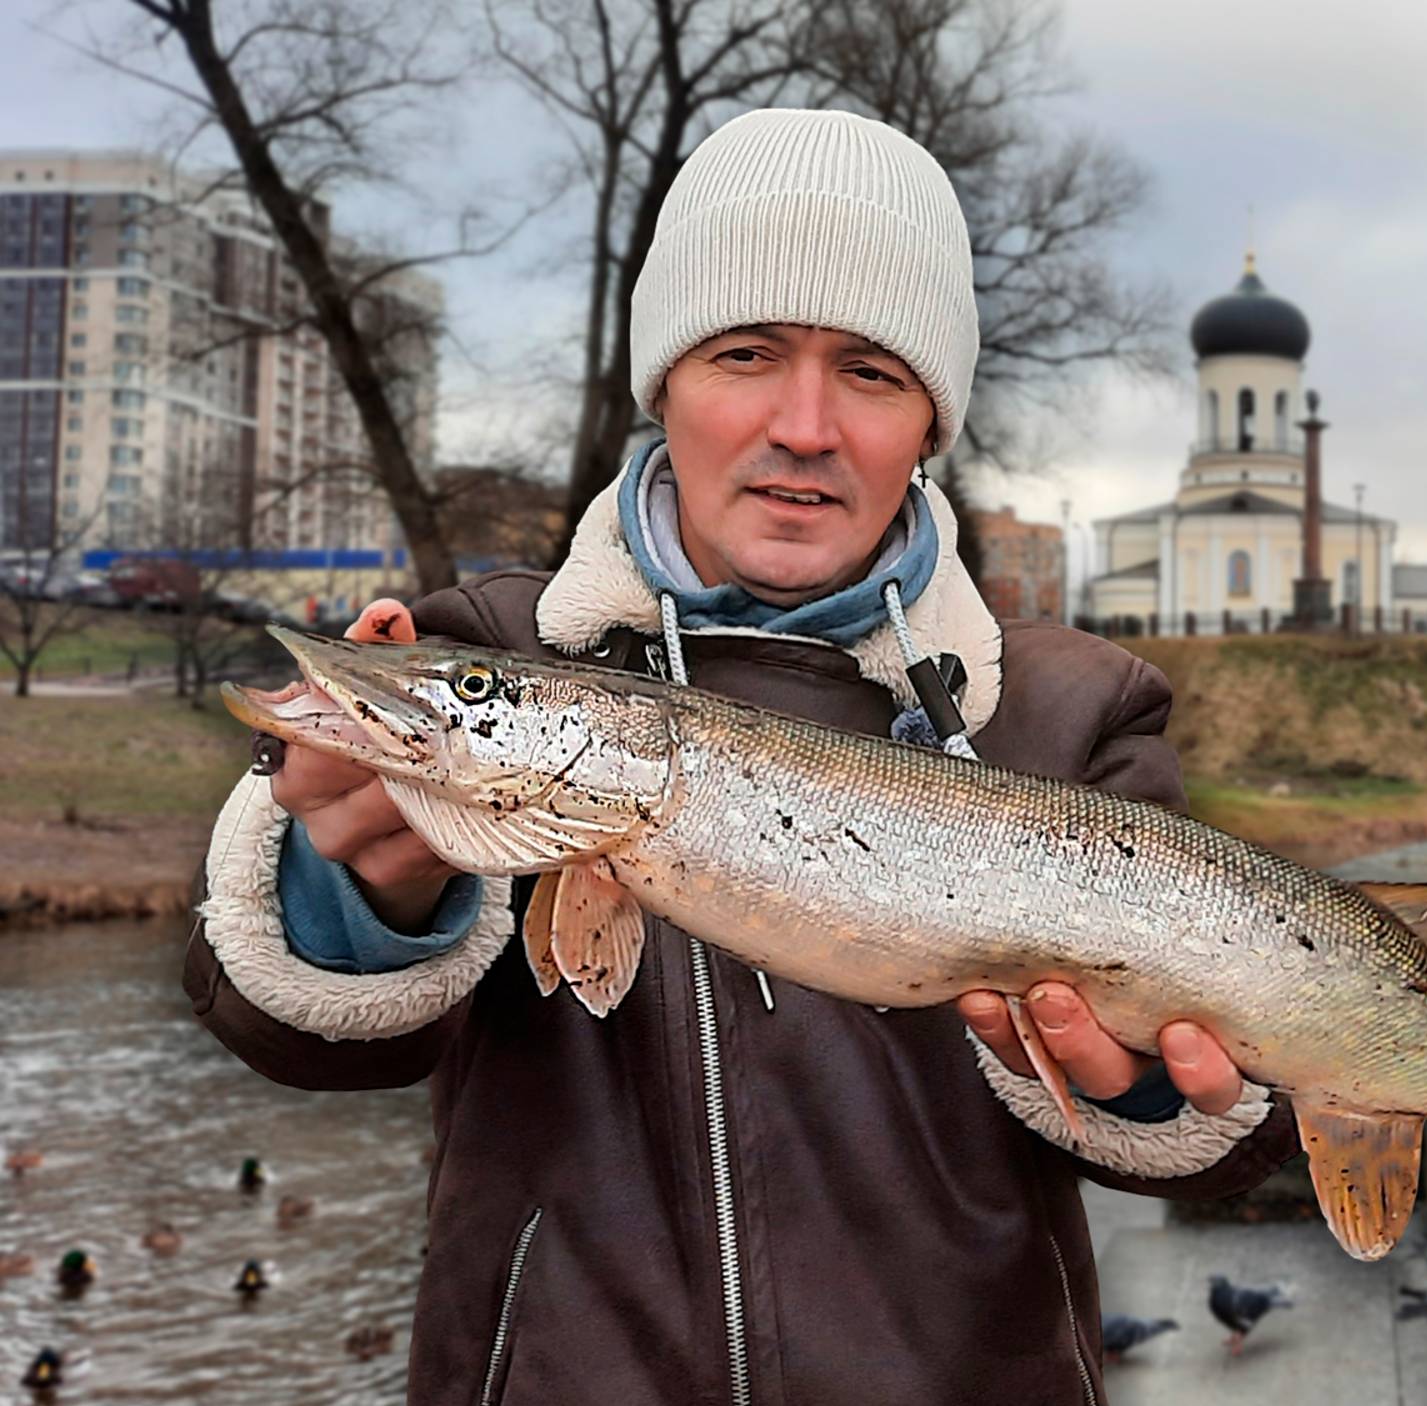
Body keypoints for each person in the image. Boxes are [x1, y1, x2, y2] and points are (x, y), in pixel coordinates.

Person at [188, 109, 1297, 1405]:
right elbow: (293, 1029)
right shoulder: (491, 647)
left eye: (873, 373)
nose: (805, 424)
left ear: (930, 424)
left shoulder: (1066, 711)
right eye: (747, 352)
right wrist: (365, 889)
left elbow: (1225, 1135)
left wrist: (1162, 1087)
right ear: (666, 383)